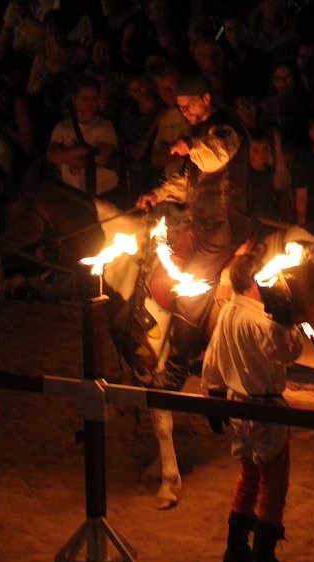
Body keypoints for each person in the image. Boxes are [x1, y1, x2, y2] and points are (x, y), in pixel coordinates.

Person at [135, 75, 251, 391]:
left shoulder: (226, 127)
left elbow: (216, 156)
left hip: (225, 224)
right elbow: (188, 183)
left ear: (207, 99)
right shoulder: (200, 133)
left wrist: (192, 146)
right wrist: (157, 196)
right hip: (201, 220)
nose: (185, 112)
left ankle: (177, 367)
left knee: (191, 290)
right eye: (181, 107)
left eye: (189, 105)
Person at [201, 246, 303, 562]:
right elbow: (287, 352)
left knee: (249, 475)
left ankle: (235, 551)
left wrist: (214, 396)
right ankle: (263, 557)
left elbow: (212, 359)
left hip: (236, 406)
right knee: (274, 481)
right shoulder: (258, 319)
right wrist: (286, 320)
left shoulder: (228, 312)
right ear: (258, 282)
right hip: (264, 410)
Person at [46, 74, 120, 202]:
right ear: (74, 100)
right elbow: (52, 156)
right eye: (84, 98)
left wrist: (66, 157)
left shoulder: (105, 126)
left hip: (103, 191)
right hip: (72, 192)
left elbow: (101, 159)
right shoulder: (63, 127)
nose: (89, 103)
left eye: (93, 98)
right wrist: (81, 151)